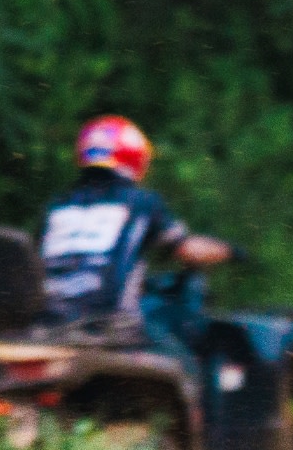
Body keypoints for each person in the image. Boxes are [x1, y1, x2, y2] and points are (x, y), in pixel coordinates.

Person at [37, 116, 230, 345]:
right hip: (110, 329)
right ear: (135, 157)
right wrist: (233, 251)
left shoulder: (56, 206)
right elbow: (188, 250)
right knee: (182, 362)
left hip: (47, 326)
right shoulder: (141, 202)